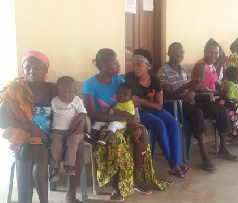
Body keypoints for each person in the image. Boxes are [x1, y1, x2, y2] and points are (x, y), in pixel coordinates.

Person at [82, 48, 170, 202]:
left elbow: (128, 103)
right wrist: (124, 120)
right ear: (103, 65)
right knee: (117, 140)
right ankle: (117, 186)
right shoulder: (90, 84)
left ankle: (135, 179)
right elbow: (92, 114)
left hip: (123, 123)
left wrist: (133, 126)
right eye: (115, 63)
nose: (119, 66)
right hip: (103, 126)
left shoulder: (119, 80)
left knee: (142, 132)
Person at [0, 51, 83, 203]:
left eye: (38, 67)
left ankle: (70, 196)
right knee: (41, 153)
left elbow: (74, 108)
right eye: (28, 67)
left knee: (78, 146)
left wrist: (79, 125)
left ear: (46, 69)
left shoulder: (53, 89)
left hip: (55, 133)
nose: (33, 71)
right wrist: (31, 127)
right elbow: (2, 120)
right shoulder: (16, 91)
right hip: (29, 136)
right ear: (23, 69)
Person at [157, 42, 238, 172]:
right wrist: (187, 88)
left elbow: (192, 89)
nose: (179, 55)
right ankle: (204, 156)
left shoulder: (184, 71)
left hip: (190, 100)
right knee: (197, 113)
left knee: (219, 109)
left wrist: (191, 92)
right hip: (176, 105)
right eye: (175, 52)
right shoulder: (162, 72)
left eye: (181, 52)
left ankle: (223, 148)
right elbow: (168, 94)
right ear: (168, 53)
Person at [125, 49, 189, 178]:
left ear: (148, 66)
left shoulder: (154, 80)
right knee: (160, 124)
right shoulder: (130, 78)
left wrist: (140, 99)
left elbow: (159, 106)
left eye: (139, 65)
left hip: (153, 110)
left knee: (173, 123)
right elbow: (131, 102)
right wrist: (146, 102)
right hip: (140, 114)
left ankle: (175, 164)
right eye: (133, 65)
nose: (135, 68)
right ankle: (174, 165)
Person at [49, 76, 87, 182]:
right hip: (58, 131)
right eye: (63, 92)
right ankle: (55, 169)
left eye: (70, 92)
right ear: (58, 92)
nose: (66, 95)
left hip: (73, 131)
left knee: (73, 139)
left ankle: (69, 165)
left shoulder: (76, 100)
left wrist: (75, 123)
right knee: (55, 141)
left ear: (75, 91)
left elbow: (83, 113)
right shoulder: (54, 101)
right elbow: (49, 115)